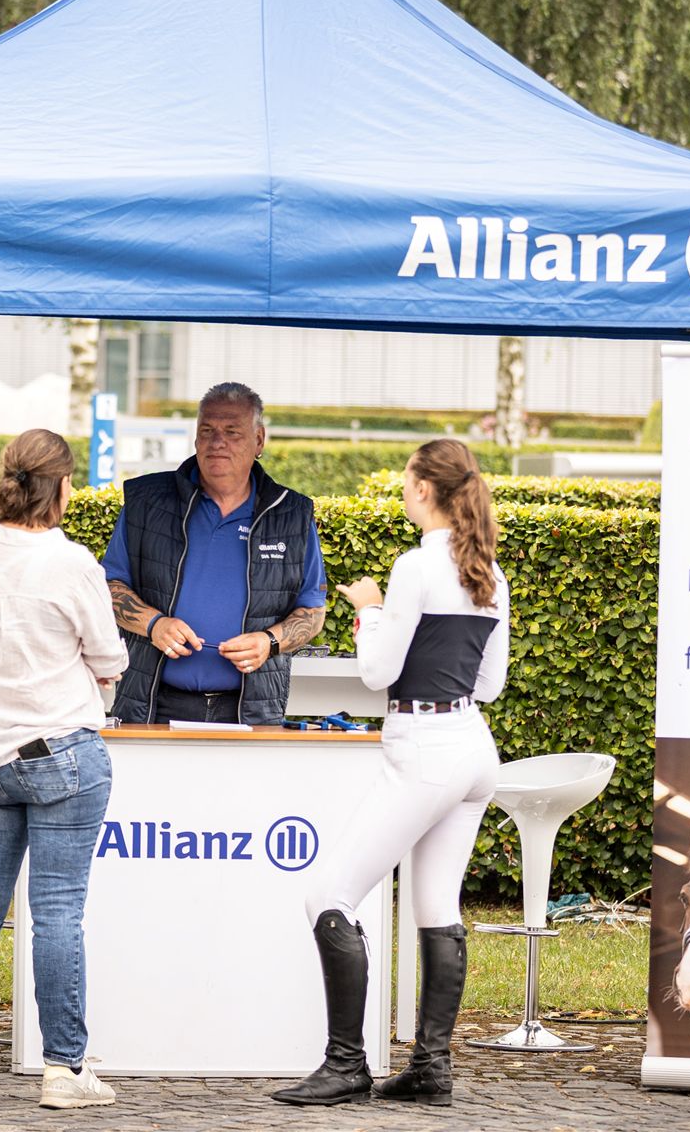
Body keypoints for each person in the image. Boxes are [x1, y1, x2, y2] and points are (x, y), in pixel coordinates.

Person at [273, 439, 508, 1107]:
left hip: (424, 748)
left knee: (328, 896)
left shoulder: (414, 566)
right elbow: (490, 685)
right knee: (438, 907)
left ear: (425, 489)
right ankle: (431, 1068)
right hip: (472, 746)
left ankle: (346, 1065)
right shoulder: (489, 572)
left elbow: (377, 672)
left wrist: (370, 609)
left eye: (408, 479)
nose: (404, 489)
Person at [0, 429, 128, 1110]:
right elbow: (110, 657)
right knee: (57, 914)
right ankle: (64, 1072)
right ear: (62, 486)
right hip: (60, 750)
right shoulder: (70, 563)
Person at [102, 382, 327, 724]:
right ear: (195, 438)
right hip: (152, 706)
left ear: (259, 441)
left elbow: (312, 611)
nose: (217, 442)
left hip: (250, 712)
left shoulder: (291, 514)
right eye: (207, 430)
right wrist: (153, 624)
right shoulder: (147, 501)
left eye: (232, 432)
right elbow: (108, 586)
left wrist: (268, 642)